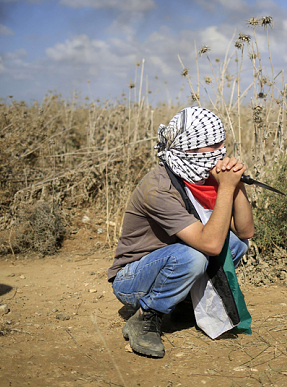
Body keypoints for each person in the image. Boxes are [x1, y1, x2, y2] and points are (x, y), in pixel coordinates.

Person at [107, 106, 254, 358]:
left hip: (174, 261)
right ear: (189, 149)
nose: (219, 152)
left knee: (236, 244)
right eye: (211, 146)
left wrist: (236, 184)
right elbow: (210, 245)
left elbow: (244, 231)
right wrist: (225, 189)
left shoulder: (200, 177)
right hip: (133, 279)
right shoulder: (159, 187)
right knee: (193, 256)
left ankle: (183, 304)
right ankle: (146, 316)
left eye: (221, 143)